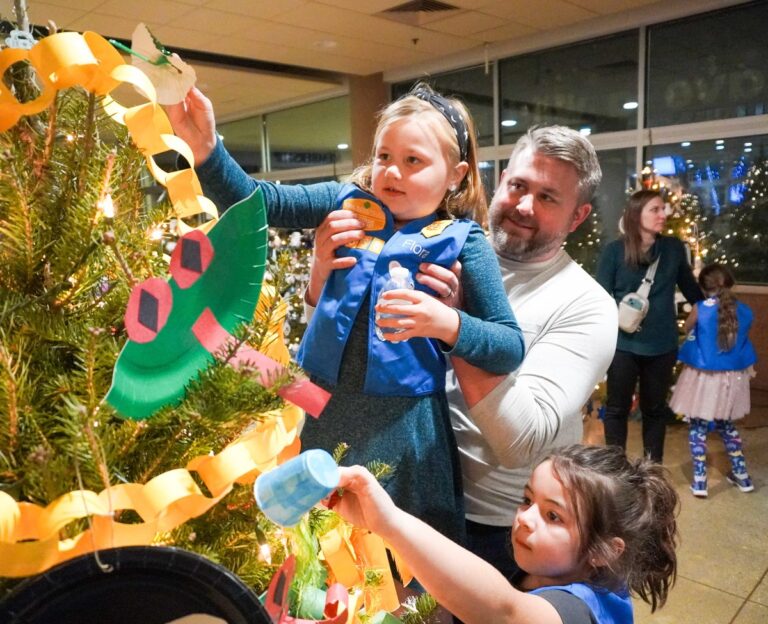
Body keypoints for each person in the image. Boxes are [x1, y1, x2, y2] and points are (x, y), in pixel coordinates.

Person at [167, 84, 525, 543]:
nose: (391, 171)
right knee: (307, 552)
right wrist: (206, 149)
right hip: (318, 412)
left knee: (398, 577)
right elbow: (259, 202)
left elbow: (508, 345)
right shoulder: (344, 202)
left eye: (413, 161)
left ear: (455, 174)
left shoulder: (464, 239)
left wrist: (446, 323)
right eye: (383, 156)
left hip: (406, 433)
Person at [308, 126, 619, 579]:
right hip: (397, 484)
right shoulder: (438, 243)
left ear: (577, 216)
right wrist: (322, 269)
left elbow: (520, 442)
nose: (524, 206)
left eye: (549, 198)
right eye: (518, 186)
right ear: (500, 180)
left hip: (493, 524)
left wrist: (456, 327)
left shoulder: (587, 306)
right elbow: (343, 343)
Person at [331, 444, 679, 624]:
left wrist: (389, 521)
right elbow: (452, 609)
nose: (525, 519)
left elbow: (503, 614)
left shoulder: (577, 611)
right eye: (527, 500)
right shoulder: (540, 568)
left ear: (605, 551)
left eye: (553, 516)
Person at [596, 190, 703, 463]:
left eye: (662, 209)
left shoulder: (673, 248)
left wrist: (714, 306)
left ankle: (651, 471)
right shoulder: (614, 251)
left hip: (662, 345)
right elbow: (599, 297)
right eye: (655, 209)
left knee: (655, 411)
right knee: (617, 409)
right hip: (623, 345)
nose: (662, 215)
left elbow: (691, 289)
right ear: (636, 214)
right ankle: (615, 468)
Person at [669, 263, 757, 497]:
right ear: (730, 283)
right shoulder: (745, 310)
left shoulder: (700, 308)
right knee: (727, 426)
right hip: (732, 379)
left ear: (703, 286)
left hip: (704, 378)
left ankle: (700, 481)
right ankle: (742, 476)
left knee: (698, 426)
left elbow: (688, 328)